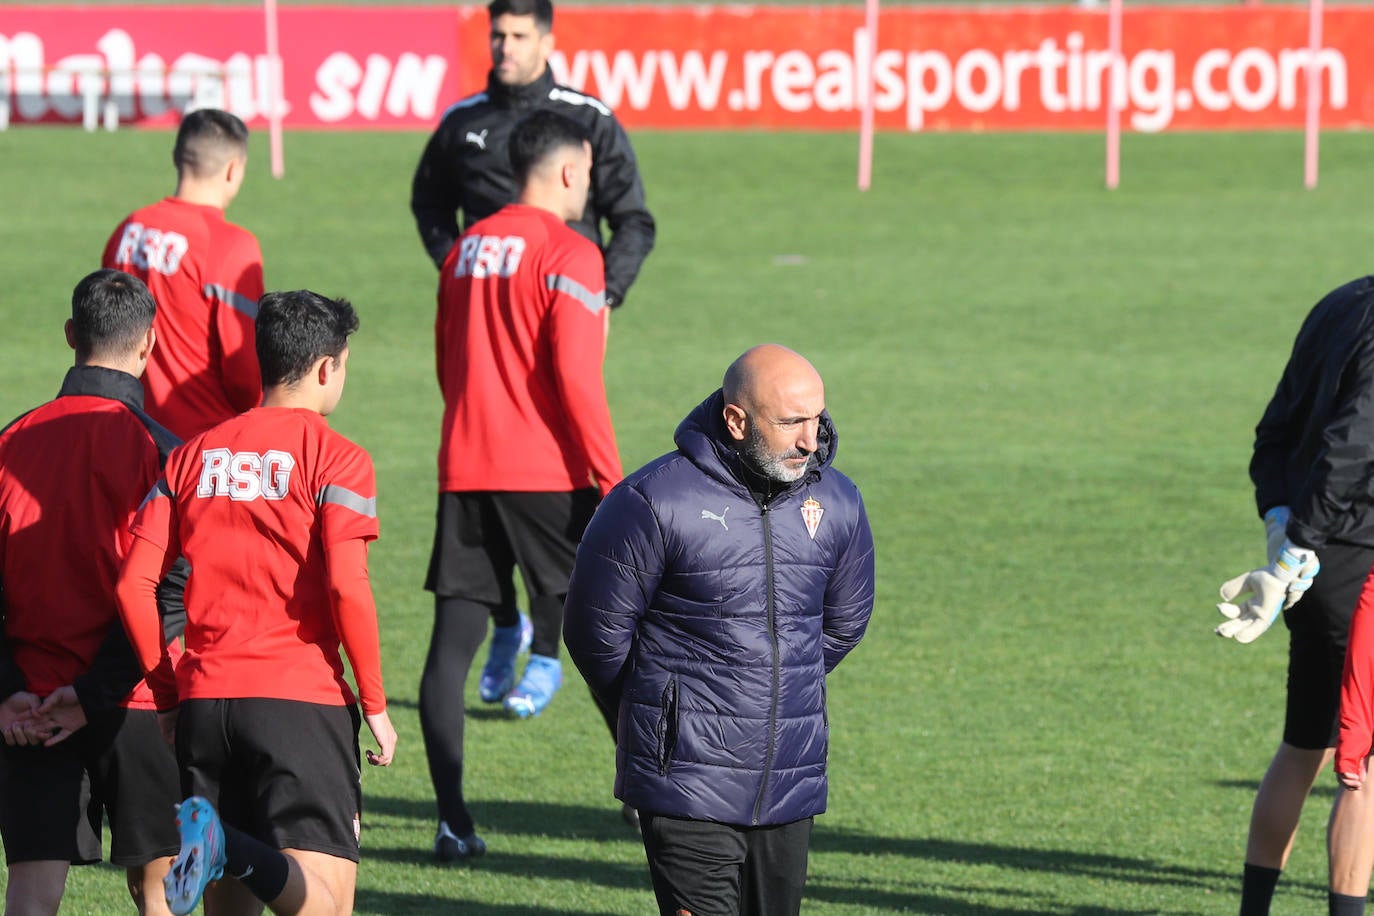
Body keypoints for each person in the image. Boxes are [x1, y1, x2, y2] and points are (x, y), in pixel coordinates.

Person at [563, 344, 876, 916]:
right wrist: (671, 709)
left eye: (816, 417)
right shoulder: (650, 501)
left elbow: (844, 622)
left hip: (790, 782)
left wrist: (764, 684)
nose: (812, 439)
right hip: (686, 787)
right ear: (736, 420)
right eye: (790, 423)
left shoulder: (839, 500)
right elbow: (595, 637)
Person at [115, 289, 397, 916]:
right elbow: (349, 586)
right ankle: (229, 848)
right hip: (300, 702)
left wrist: (166, 693)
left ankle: (225, 846)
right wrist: (374, 702)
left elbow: (134, 583)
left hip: (206, 704)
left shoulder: (189, 456)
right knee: (325, 905)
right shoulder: (338, 458)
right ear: (329, 368)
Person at [420, 108, 623, 861]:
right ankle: (649, 795)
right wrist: (610, 476)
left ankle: (451, 821)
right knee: (603, 639)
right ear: (569, 170)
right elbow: (577, 376)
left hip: (464, 465)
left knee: (452, 645)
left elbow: (447, 365)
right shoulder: (571, 253)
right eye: (588, 174)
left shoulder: (465, 249)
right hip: (545, 472)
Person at [0, 269, 183, 916]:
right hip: (133, 704)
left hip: (31, 709)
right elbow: (168, 592)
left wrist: (9, 690)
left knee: (31, 893)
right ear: (150, 345)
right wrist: (95, 693)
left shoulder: (9, 443)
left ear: (71, 335)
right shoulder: (165, 456)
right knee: (158, 893)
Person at [1213, 274, 1374, 916]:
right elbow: (1353, 447)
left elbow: (1274, 429)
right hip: (1356, 557)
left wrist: (1280, 522)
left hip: (1310, 559)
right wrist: (1297, 545)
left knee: (1304, 740)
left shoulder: (1341, 302)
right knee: (1361, 764)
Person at [411, 0, 655, 312]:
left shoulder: (589, 118)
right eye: (498, 35)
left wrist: (605, 296)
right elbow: (430, 202)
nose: (506, 47)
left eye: (519, 37)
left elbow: (633, 218)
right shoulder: (461, 121)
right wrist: (455, 265)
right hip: (484, 305)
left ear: (546, 43)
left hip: (566, 299)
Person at [102, 107, 264, 440]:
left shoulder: (128, 230)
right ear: (233, 169)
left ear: (177, 157)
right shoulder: (231, 246)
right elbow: (245, 376)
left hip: (129, 436)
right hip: (203, 449)